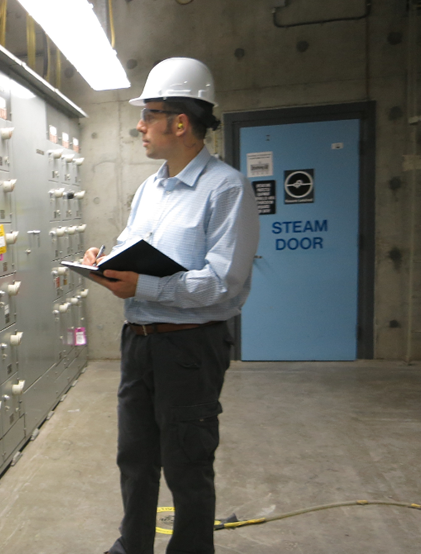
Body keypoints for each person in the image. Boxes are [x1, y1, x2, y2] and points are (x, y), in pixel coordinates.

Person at [83, 57, 259, 554]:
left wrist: (145, 286)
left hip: (190, 347)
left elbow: (224, 283)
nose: (139, 125)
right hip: (138, 342)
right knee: (135, 459)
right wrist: (103, 261)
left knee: (187, 464)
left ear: (180, 122)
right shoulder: (150, 189)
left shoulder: (226, 189)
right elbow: (130, 245)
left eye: (149, 114)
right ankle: (132, 546)